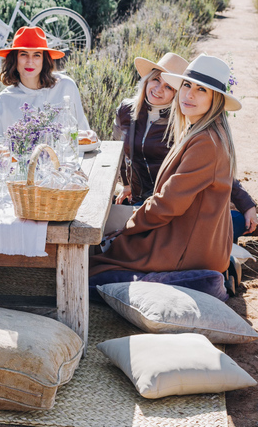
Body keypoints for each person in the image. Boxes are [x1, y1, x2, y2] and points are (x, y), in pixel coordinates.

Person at [90, 54, 241, 280]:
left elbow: (169, 203)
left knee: (93, 266)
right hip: (183, 233)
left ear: (216, 99)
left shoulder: (206, 142)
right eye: (187, 85)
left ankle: (209, 278)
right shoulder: (200, 130)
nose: (189, 94)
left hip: (185, 249)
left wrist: (127, 227)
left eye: (201, 90)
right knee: (104, 245)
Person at [114, 53, 258, 240]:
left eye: (168, 86)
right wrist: (126, 184)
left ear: (176, 92)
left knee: (223, 224)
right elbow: (120, 151)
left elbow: (216, 168)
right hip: (144, 200)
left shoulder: (183, 122)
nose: (158, 89)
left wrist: (246, 203)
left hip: (170, 204)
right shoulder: (127, 110)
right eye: (156, 80)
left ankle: (245, 225)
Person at [0, 26, 90, 137]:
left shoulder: (66, 87)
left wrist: (89, 135)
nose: (30, 61)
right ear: (14, 58)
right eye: (23, 54)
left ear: (44, 60)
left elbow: (83, 136)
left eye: (37, 55)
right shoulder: (2, 102)